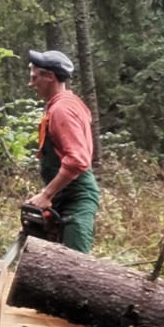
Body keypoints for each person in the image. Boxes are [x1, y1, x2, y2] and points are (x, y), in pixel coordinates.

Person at [25, 48, 100, 253]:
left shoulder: (62, 110)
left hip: (76, 199)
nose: (30, 84)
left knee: (74, 269)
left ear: (50, 77)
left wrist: (46, 194)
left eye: (34, 78)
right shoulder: (59, 106)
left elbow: (77, 160)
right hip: (63, 196)